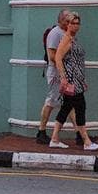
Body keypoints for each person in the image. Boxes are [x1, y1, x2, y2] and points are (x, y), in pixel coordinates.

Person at [49, 13, 98, 151]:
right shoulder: (66, 39)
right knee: (80, 108)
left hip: (77, 79)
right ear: (68, 24)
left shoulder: (73, 39)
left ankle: (54, 138)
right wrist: (64, 77)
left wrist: (82, 80)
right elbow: (58, 58)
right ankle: (86, 141)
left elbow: (77, 62)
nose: (75, 26)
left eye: (77, 23)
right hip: (71, 80)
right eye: (73, 23)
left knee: (66, 109)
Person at [35, 9, 71, 145]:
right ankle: (41, 131)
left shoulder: (66, 33)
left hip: (63, 72)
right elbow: (52, 56)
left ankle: (81, 132)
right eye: (67, 20)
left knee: (71, 102)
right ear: (60, 20)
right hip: (56, 72)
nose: (69, 23)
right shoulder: (55, 33)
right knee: (51, 101)